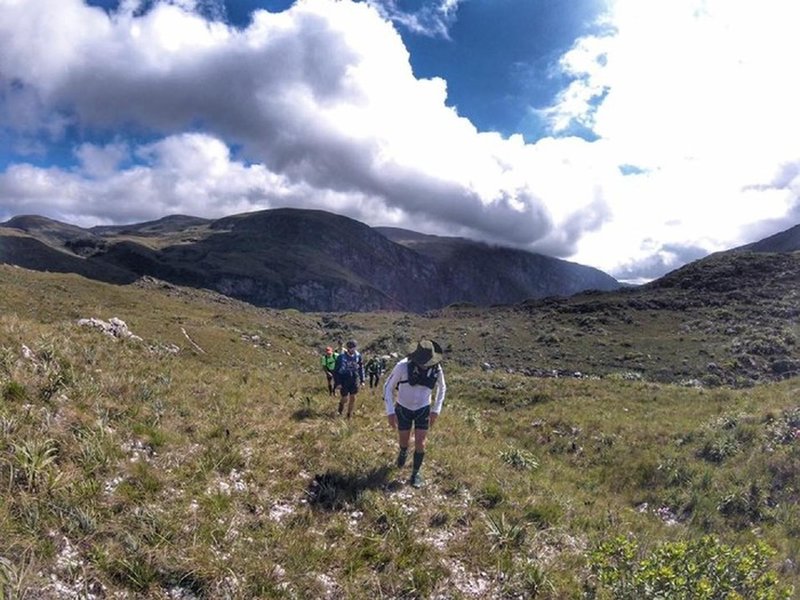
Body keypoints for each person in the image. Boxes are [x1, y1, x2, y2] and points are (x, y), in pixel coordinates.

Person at [383, 339, 446, 488]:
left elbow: (442, 388)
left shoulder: (437, 368)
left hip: (423, 409)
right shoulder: (402, 366)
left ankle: (415, 473)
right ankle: (403, 452)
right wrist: (390, 412)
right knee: (404, 440)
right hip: (403, 408)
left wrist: (436, 410)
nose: (425, 365)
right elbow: (388, 387)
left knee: (420, 442)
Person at [334, 339, 364, 419]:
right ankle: (341, 407)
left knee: (353, 397)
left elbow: (361, 368)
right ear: (347, 348)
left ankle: (349, 415)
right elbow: (336, 371)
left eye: (354, 347)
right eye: (350, 348)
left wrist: (362, 380)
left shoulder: (358, 356)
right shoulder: (341, 357)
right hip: (344, 379)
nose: (352, 349)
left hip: (354, 378)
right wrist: (338, 383)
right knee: (345, 398)